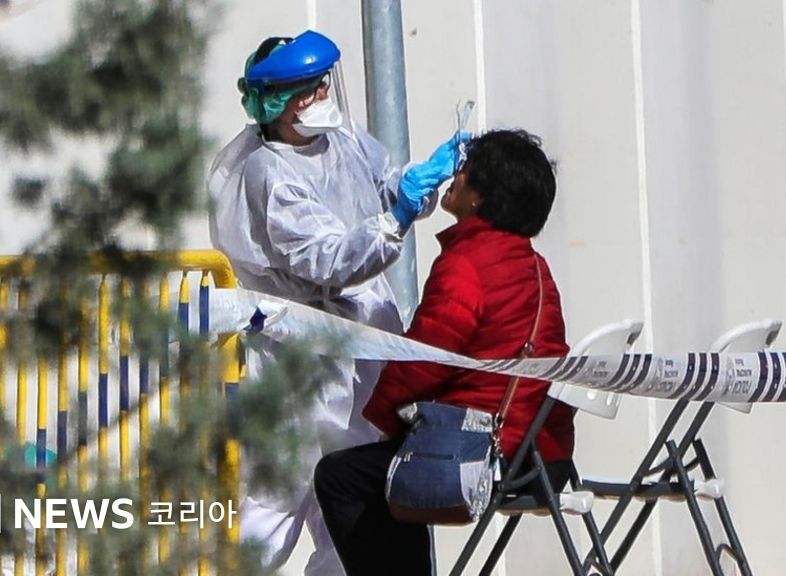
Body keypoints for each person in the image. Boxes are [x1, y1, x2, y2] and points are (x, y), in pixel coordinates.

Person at [206, 30, 465, 574]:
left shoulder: (339, 137)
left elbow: (378, 187)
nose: (321, 95)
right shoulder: (268, 173)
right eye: (306, 89)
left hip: (358, 353)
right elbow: (330, 261)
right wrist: (396, 218)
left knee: (351, 508)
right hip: (301, 358)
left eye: (323, 82)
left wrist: (415, 184)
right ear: (274, 103)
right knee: (277, 498)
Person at [313, 129, 574, 575]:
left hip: (488, 453)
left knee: (341, 476)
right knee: (394, 469)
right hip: (543, 453)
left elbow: (425, 359)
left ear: (481, 197)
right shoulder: (534, 265)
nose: (455, 176)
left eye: (465, 170)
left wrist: (382, 419)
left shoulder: (467, 263)